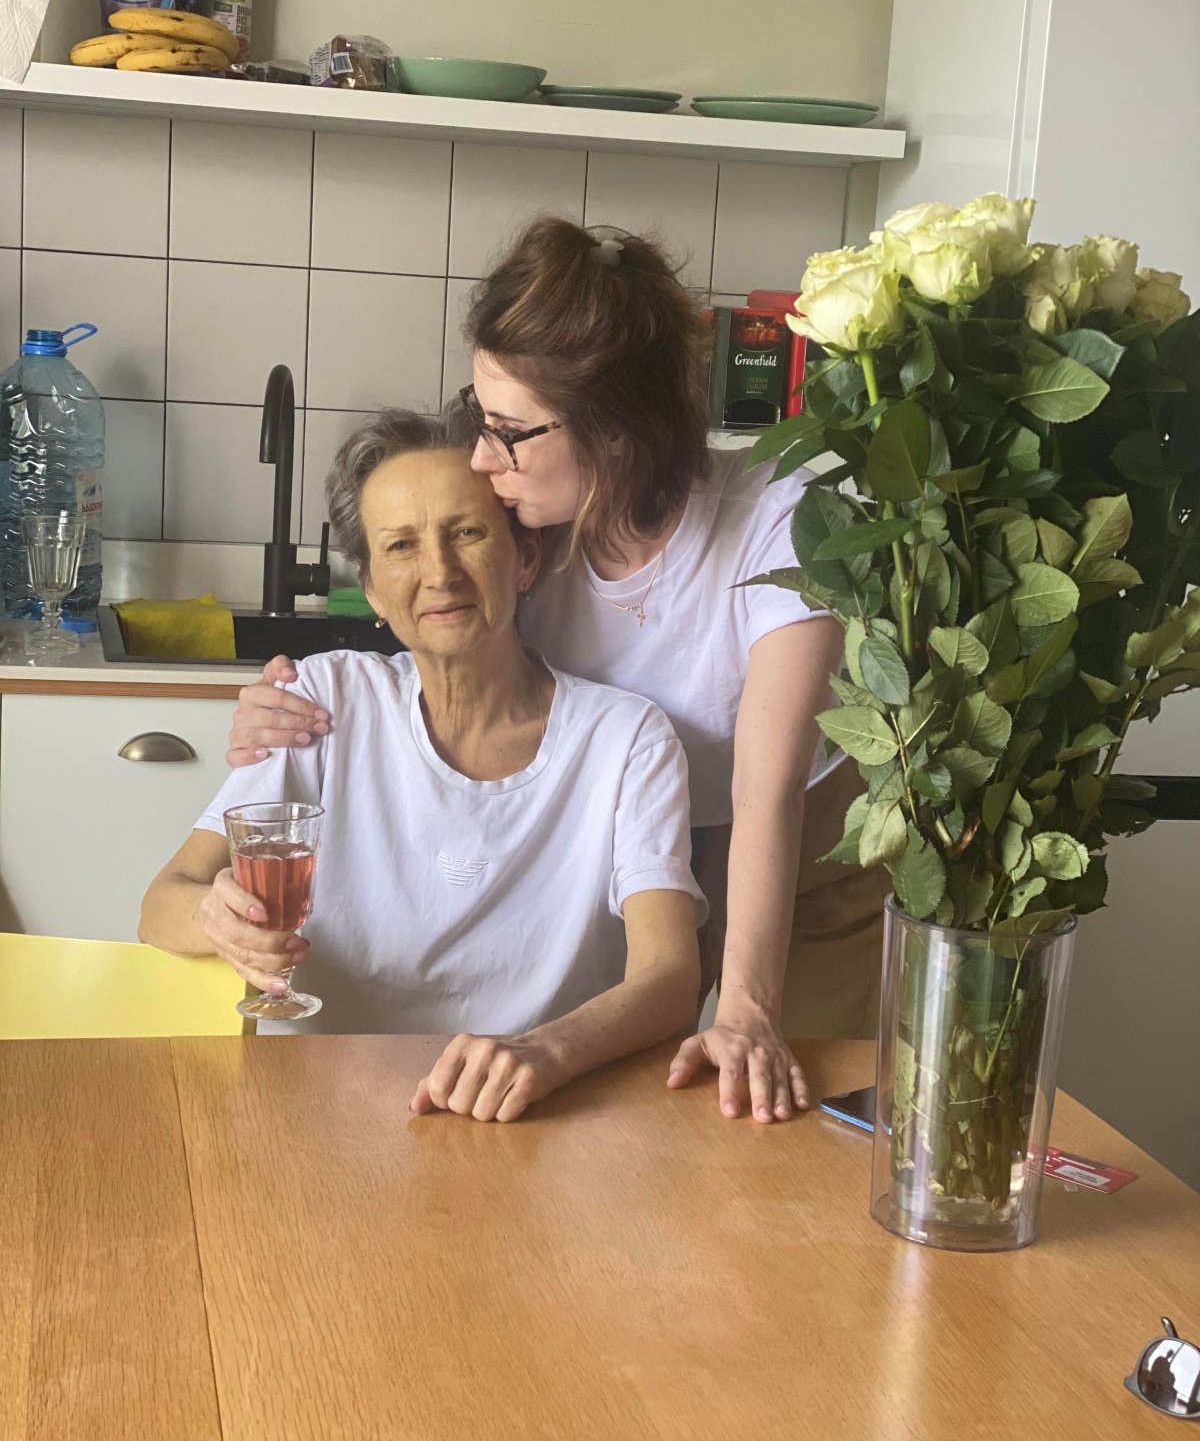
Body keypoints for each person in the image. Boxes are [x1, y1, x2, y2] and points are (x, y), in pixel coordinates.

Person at [224, 218, 888, 1125]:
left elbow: (766, 796)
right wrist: (289, 710)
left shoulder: (781, 519)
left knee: (784, 1114)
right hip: (646, 829)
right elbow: (442, 617)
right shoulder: (532, 513)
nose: (482, 457)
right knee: (644, 1118)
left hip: (802, 854)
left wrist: (745, 1013)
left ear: (614, 433)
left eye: (509, 432)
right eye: (481, 416)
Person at [140, 409, 704, 1123]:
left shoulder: (628, 740)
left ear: (525, 558)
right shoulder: (324, 700)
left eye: (467, 533)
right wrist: (215, 919)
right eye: (401, 545)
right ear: (372, 588)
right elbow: (159, 905)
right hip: (316, 1110)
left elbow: (669, 977)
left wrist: (547, 1051)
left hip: (533, 1116)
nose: (439, 572)